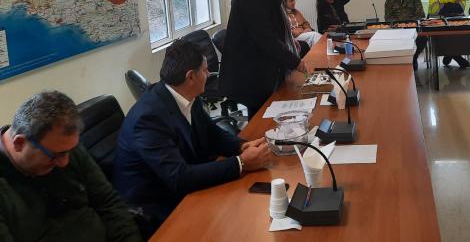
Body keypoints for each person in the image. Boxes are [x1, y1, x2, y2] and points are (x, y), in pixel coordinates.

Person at [114, 39, 271, 229]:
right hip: (157, 207)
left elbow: (211, 132)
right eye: (205, 70)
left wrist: (242, 146)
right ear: (190, 77)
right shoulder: (148, 119)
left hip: (184, 184)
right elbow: (179, 178)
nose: (209, 74)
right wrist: (241, 163)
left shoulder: (184, 93)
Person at [1, 91, 141, 241]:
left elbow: (107, 202)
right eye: (55, 156)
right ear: (19, 143)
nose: (65, 162)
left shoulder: (63, 146)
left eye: (69, 151)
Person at [221, 0, 307, 117]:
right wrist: (293, 61)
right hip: (251, 70)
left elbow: (275, 27)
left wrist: (288, 43)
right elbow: (265, 36)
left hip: (263, 64)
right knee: (261, 117)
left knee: (271, 111)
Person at [428, 0, 469, 68]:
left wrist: (444, 4)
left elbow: (461, 7)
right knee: (445, 34)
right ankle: (456, 56)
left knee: (460, 33)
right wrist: (453, 4)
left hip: (456, 18)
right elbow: (435, 10)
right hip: (439, 19)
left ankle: (450, 54)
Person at [384, 0, 427, 71]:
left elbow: (421, 15)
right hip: (397, 29)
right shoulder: (390, 0)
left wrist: (409, 23)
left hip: (413, 28)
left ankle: (414, 58)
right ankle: (400, 61)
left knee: (423, 38)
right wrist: (398, 24)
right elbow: (387, 17)